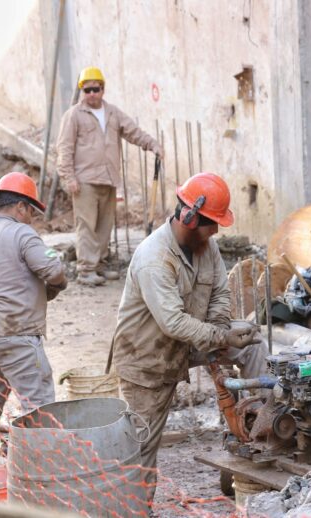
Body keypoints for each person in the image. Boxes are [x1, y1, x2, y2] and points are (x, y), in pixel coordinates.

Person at [112, 172, 268, 505]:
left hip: (192, 339)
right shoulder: (155, 258)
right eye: (212, 224)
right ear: (188, 216)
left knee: (254, 343)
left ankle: (260, 423)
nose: (216, 232)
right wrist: (219, 336)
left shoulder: (205, 246)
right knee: (141, 447)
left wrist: (219, 332)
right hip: (148, 357)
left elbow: (220, 291)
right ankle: (134, 510)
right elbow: (172, 323)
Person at [0, 172, 67, 446]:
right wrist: (57, 285)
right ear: (21, 207)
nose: (32, 219)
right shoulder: (22, 232)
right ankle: (41, 462)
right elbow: (53, 269)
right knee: (39, 401)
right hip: (13, 333)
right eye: (31, 212)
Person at [56, 66, 163, 287]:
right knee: (86, 225)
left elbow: (133, 132)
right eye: (87, 90)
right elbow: (64, 148)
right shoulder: (74, 115)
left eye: (95, 89)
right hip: (84, 180)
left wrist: (152, 144)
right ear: (82, 92)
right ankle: (86, 269)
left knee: (105, 225)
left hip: (108, 178)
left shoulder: (113, 113)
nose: (91, 94)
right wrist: (69, 178)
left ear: (103, 89)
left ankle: (100, 266)